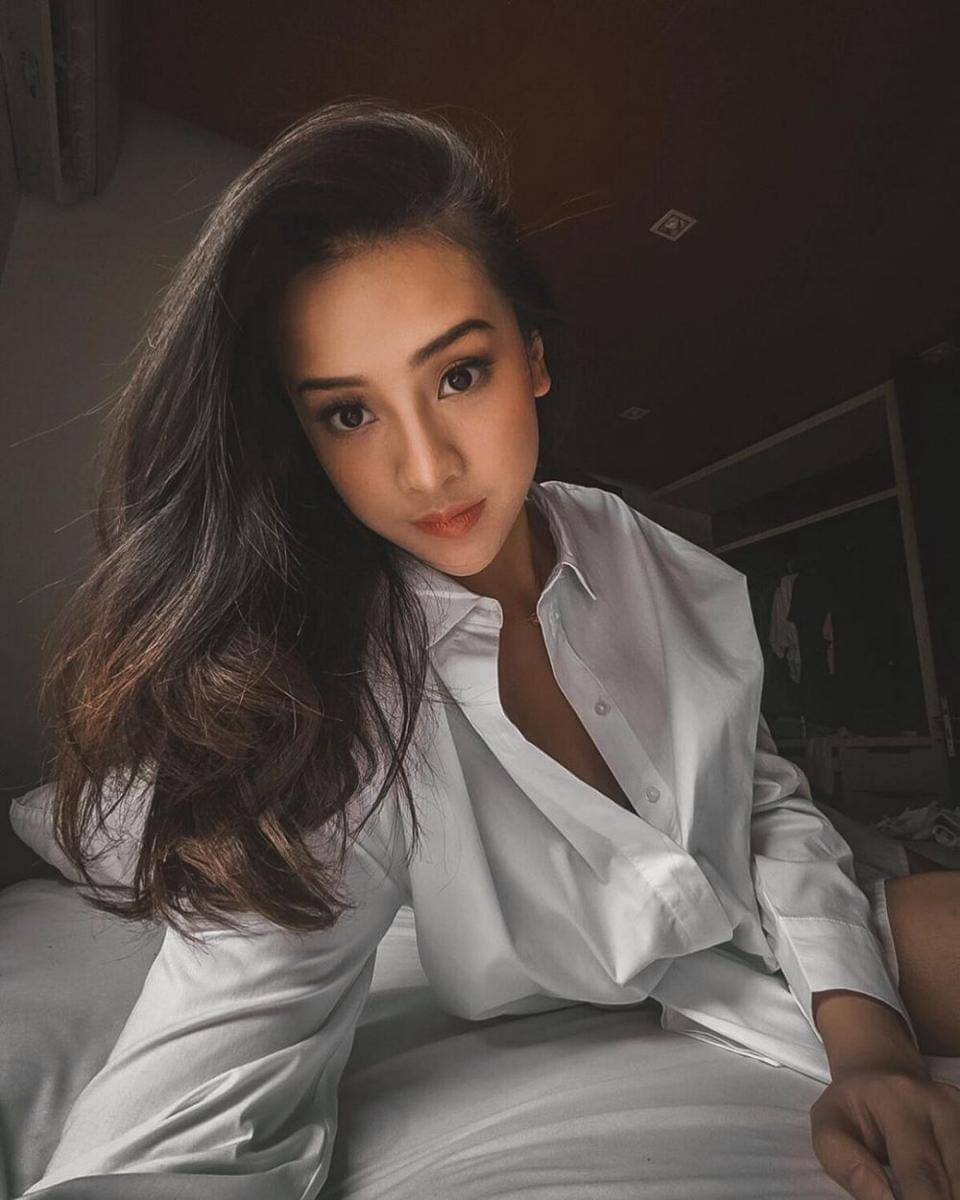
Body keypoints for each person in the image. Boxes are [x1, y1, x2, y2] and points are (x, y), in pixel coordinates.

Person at [16, 98, 960, 1200]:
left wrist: (870, 1046)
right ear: (303, 438)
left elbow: (762, 799)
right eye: (350, 414)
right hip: (694, 974)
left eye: (459, 374)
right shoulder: (332, 707)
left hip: (796, 924)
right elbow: (173, 1130)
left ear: (535, 358)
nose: (426, 470)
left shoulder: (647, 556)